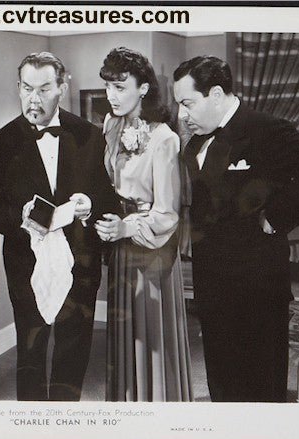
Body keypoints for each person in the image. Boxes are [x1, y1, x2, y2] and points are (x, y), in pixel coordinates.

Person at [172, 56, 299, 402]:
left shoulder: (266, 129)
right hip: (212, 286)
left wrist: (277, 217)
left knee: (261, 389)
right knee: (222, 384)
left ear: (216, 94)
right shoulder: (195, 142)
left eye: (187, 103)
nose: (182, 114)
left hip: (257, 287)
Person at [0, 52, 116, 401]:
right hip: (26, 266)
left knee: (74, 349)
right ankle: (32, 425)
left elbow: (108, 199)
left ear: (62, 88)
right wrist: (20, 218)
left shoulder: (90, 136)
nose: (34, 99)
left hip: (80, 264)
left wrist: (90, 206)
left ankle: (65, 421)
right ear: (18, 88)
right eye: (27, 89)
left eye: (43, 89)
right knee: (31, 353)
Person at [94, 47, 193, 402]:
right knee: (125, 335)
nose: (111, 95)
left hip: (152, 248)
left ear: (143, 89)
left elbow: (168, 213)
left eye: (120, 87)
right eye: (108, 86)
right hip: (120, 248)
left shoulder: (165, 138)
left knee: (152, 337)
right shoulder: (111, 125)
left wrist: (127, 227)